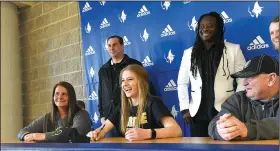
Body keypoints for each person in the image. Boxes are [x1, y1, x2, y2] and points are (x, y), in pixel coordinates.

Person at [177, 12, 246, 137]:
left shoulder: (233, 50)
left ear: (218, 28)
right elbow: (182, 83)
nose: (205, 29)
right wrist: (184, 109)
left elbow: (243, 80)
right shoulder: (189, 53)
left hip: (225, 112)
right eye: (202, 26)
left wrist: (236, 106)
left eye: (210, 25)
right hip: (197, 114)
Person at [88, 64, 182, 141]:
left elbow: (176, 130)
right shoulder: (122, 106)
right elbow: (103, 129)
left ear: (142, 82)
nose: (124, 84)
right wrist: (96, 133)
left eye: (130, 79)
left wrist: (148, 133)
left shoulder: (153, 103)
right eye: (123, 80)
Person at [208, 55, 279, 140]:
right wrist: (221, 130)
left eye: (249, 77)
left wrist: (247, 129)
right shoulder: (238, 99)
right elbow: (213, 125)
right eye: (244, 78)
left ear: (271, 79)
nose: (244, 83)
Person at [98, 35, 155, 137]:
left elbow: (146, 88)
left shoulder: (135, 64)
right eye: (109, 45)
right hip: (109, 119)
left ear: (122, 46)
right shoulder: (103, 70)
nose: (111, 48)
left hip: (130, 117)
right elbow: (101, 92)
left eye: (114, 45)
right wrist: (102, 115)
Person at [17, 81, 92, 142]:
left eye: (64, 94)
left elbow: (73, 134)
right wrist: (26, 136)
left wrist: (41, 136)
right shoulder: (47, 118)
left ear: (71, 97)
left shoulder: (82, 115)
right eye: (57, 94)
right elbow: (22, 132)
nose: (59, 97)